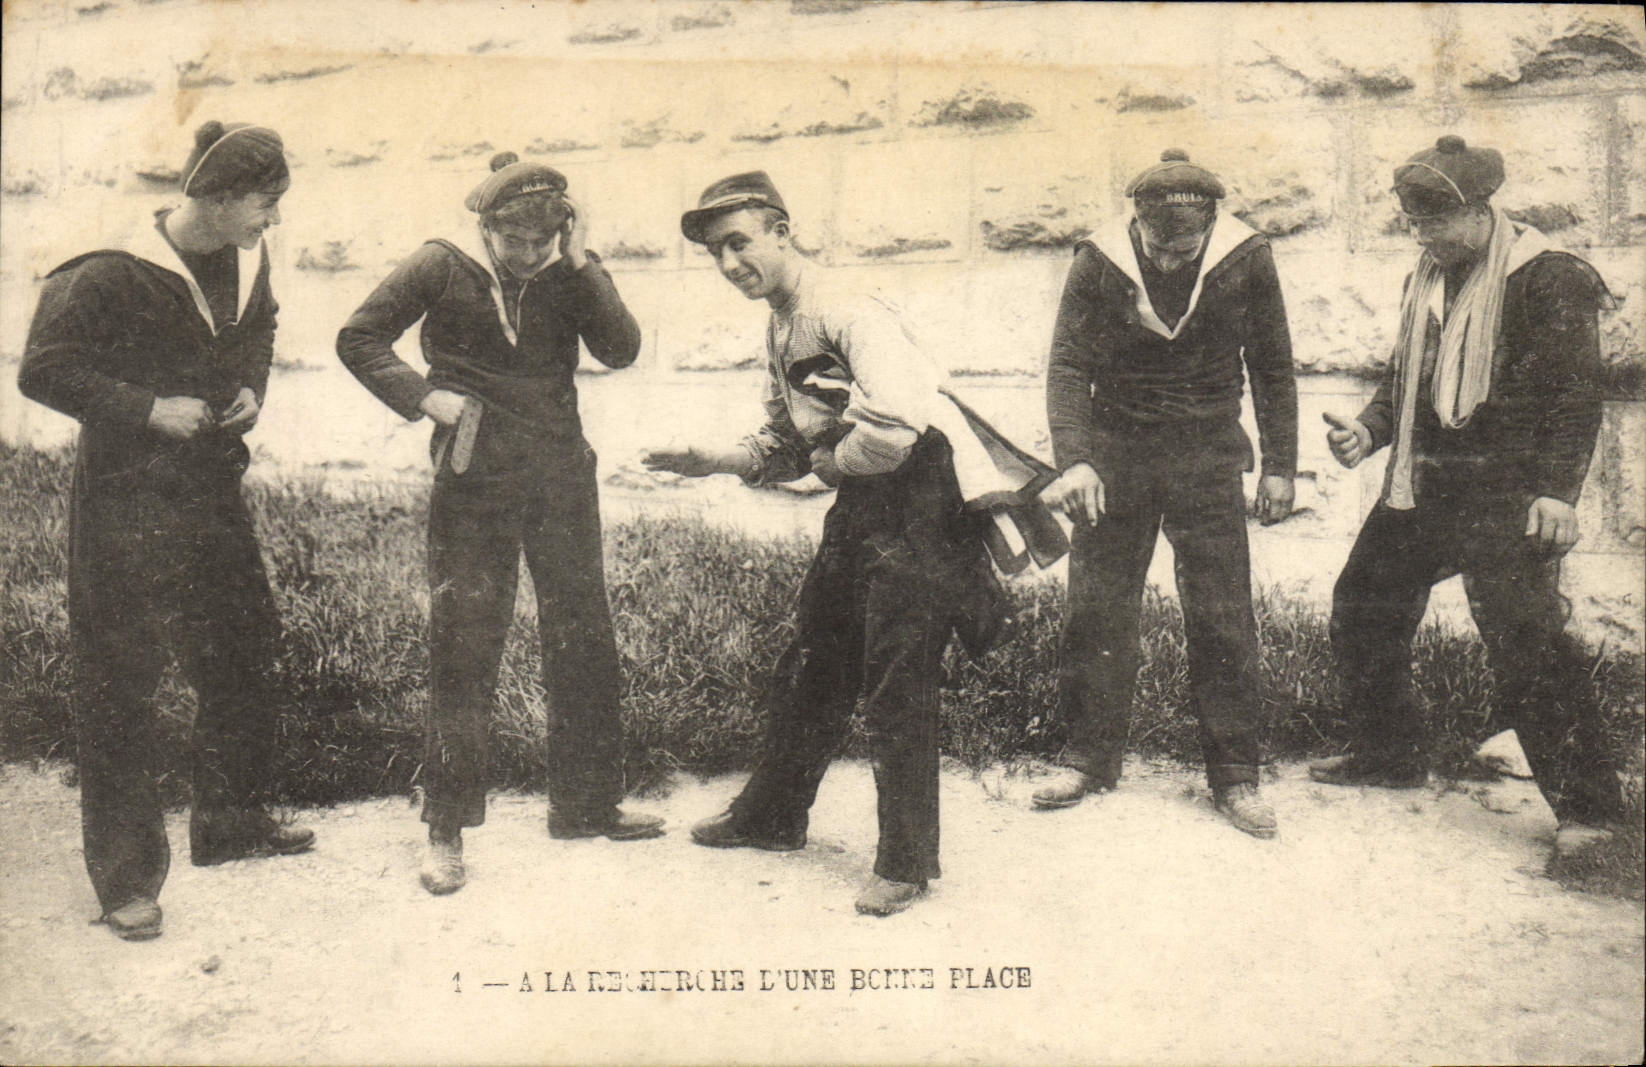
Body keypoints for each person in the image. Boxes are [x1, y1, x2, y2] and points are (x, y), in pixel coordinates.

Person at [642, 171, 1060, 916]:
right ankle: (771, 816)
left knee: (897, 679)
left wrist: (835, 463)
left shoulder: (845, 307)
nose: (730, 263)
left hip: (923, 501)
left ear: (782, 230)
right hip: (867, 502)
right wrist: (712, 459)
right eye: (715, 252)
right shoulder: (780, 323)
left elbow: (895, 426)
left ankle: (905, 862)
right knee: (812, 657)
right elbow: (783, 441)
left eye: (739, 243)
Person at [336, 151, 662, 897]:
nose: (524, 256)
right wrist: (423, 397)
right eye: (512, 241)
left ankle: (586, 803)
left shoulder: (566, 271)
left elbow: (622, 348)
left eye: (540, 243)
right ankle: (445, 827)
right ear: (485, 226)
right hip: (474, 477)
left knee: (582, 625)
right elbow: (359, 337)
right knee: (467, 636)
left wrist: (583, 265)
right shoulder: (439, 264)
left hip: (559, 473)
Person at [19, 120, 313, 942]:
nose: (273, 221)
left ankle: (230, 821)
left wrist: (251, 385)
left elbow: (260, 327)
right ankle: (125, 879)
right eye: (265, 203)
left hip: (210, 492)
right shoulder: (109, 269)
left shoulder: (248, 255)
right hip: (124, 500)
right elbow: (42, 369)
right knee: (121, 678)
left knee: (244, 641)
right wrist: (146, 409)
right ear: (216, 200)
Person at [1312, 135, 1626, 858]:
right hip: (1426, 488)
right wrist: (1368, 430)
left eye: (1438, 222)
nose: (1425, 237)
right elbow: (1405, 382)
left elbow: (1576, 398)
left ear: (1483, 210)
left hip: (1508, 494)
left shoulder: (1550, 278)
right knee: (1363, 601)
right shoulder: (1425, 278)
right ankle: (1388, 755)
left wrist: (1556, 491)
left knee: (1525, 640)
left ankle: (1594, 817)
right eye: (1415, 224)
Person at [1037, 149, 1298, 838]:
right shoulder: (1098, 261)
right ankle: (1086, 756)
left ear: (1211, 226)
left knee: (1221, 612)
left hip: (1208, 454)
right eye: (1160, 246)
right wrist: (1076, 460)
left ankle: (1235, 773)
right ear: (1137, 225)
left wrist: (1280, 466)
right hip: (1116, 453)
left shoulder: (1246, 259)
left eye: (1187, 247)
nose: (1174, 259)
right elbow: (1066, 367)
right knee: (1097, 605)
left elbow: (1272, 366)